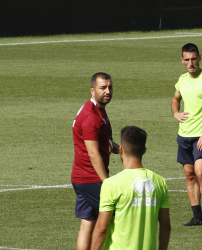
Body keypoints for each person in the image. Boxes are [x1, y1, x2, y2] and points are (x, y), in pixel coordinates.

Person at [91, 126, 171, 250]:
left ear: (121, 149)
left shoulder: (112, 184)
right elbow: (166, 226)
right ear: (144, 150)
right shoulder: (159, 182)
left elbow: (102, 229)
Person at [171, 43, 202, 228]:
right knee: (189, 175)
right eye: (187, 60)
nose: (191, 63)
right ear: (182, 60)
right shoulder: (182, 80)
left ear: (199, 58)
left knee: (201, 172)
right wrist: (176, 113)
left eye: (194, 59)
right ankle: (197, 217)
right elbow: (175, 99)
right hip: (184, 135)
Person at [71, 72, 120, 250]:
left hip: (81, 177)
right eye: (103, 88)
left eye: (110, 87)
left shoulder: (97, 110)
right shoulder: (91, 116)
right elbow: (93, 153)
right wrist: (106, 182)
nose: (108, 91)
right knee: (114, 219)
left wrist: (120, 149)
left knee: (87, 223)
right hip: (91, 178)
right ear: (92, 91)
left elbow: (103, 141)